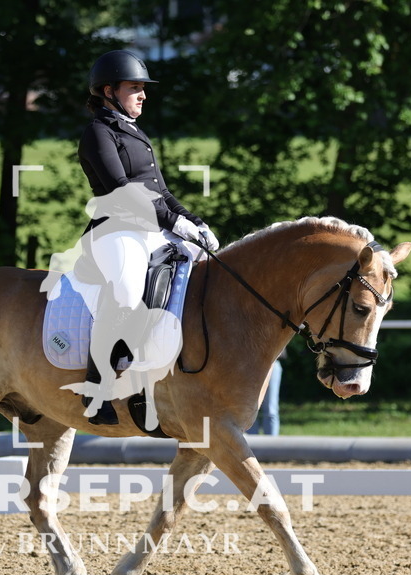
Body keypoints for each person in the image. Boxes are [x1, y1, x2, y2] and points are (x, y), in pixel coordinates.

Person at [75, 49, 218, 426]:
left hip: (151, 228)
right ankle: (98, 384)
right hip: (115, 231)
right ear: (108, 91)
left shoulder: (135, 132)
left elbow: (160, 191)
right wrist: (172, 220)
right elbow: (122, 189)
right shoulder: (98, 133)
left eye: (143, 88)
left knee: (198, 272)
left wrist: (194, 222)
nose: (142, 95)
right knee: (124, 289)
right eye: (134, 88)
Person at [247, 349, 286, 436]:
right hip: (249, 362)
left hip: (272, 362)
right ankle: (251, 445)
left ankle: (272, 446)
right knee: (249, 409)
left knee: (271, 410)